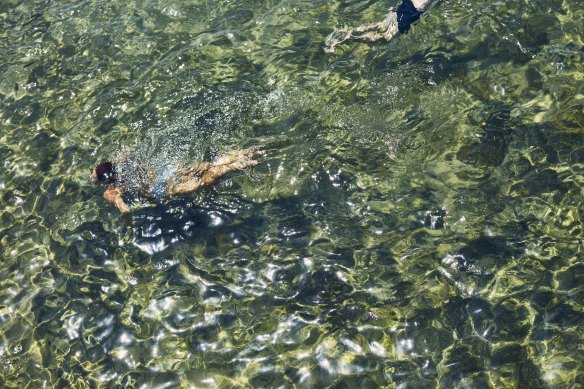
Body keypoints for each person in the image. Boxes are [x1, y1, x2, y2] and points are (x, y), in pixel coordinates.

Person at [92, 148, 259, 213]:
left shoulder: (111, 190)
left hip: (159, 189)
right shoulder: (120, 162)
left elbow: (124, 208)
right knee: (207, 166)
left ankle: (236, 165)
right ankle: (246, 153)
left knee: (203, 181)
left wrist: (126, 220)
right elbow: (127, 148)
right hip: (164, 170)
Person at [324, 0, 437, 52]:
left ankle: (351, 30)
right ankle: (351, 38)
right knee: (387, 38)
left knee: (382, 25)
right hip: (412, 11)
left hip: (406, 3)